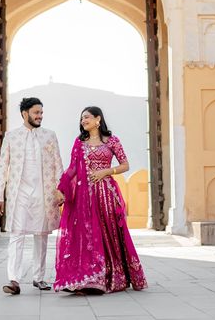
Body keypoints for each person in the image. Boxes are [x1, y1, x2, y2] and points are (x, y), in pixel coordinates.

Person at [54, 106, 147, 294]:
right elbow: (72, 168)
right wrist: (60, 189)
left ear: (98, 119)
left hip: (106, 194)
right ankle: (86, 278)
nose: (83, 121)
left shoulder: (112, 140)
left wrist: (106, 171)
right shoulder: (79, 142)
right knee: (86, 235)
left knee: (108, 233)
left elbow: (125, 165)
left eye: (86, 117)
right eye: (81, 118)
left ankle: (109, 276)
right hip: (84, 197)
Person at [0, 97, 64, 295]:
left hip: (44, 192)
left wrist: (61, 190)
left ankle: (39, 277)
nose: (40, 116)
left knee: (41, 235)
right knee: (16, 234)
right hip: (20, 193)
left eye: (41, 113)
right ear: (25, 114)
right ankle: (14, 280)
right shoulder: (11, 136)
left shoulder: (49, 136)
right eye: (36, 113)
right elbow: (3, 168)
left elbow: (58, 164)